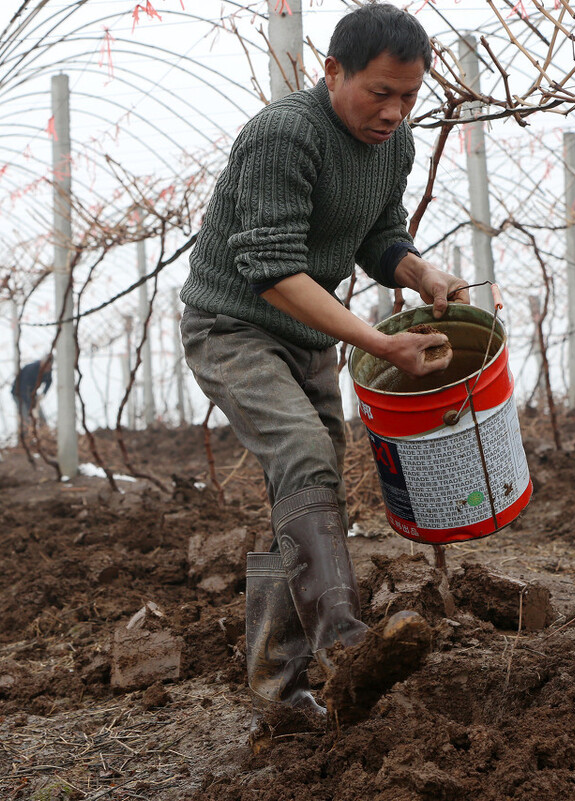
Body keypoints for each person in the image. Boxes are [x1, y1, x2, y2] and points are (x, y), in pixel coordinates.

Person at [179, 3, 468, 719]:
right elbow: (272, 271)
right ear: (333, 71)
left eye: (409, 95)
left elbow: (379, 236)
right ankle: (343, 644)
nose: (396, 112)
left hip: (305, 340)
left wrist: (419, 273)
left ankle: (280, 696)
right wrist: (376, 342)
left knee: (306, 482)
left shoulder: (391, 145)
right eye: (380, 92)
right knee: (306, 453)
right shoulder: (284, 137)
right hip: (233, 326)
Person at [12, 356, 53, 426]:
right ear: (42, 363)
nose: (47, 370)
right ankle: (27, 434)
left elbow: (49, 380)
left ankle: (44, 431)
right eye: (47, 367)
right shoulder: (30, 370)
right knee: (26, 417)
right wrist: (31, 407)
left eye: (49, 368)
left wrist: (44, 393)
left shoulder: (47, 370)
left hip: (32, 394)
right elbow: (24, 390)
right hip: (19, 394)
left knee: (41, 416)